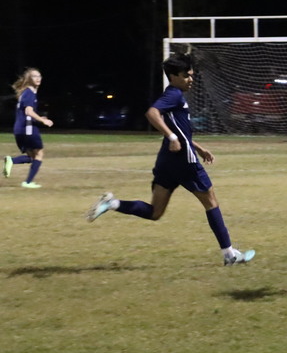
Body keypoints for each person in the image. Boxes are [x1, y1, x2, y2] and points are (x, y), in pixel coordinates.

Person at [85, 52, 256, 266]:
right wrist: (172, 137)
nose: (190, 79)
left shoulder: (174, 95)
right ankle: (229, 255)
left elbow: (180, 130)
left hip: (167, 161)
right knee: (211, 201)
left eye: (191, 75)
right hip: (184, 161)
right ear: (173, 77)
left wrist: (198, 147)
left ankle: (112, 203)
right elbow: (152, 113)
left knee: (155, 212)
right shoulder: (173, 95)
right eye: (186, 75)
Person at [5, 67, 54, 188]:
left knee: (32, 157)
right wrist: (42, 120)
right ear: (29, 79)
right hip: (28, 129)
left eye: (39, 76)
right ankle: (27, 182)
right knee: (39, 154)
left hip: (19, 129)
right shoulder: (30, 93)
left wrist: (39, 117)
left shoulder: (25, 93)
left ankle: (12, 161)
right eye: (34, 76)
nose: (38, 78)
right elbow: (28, 111)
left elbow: (26, 112)